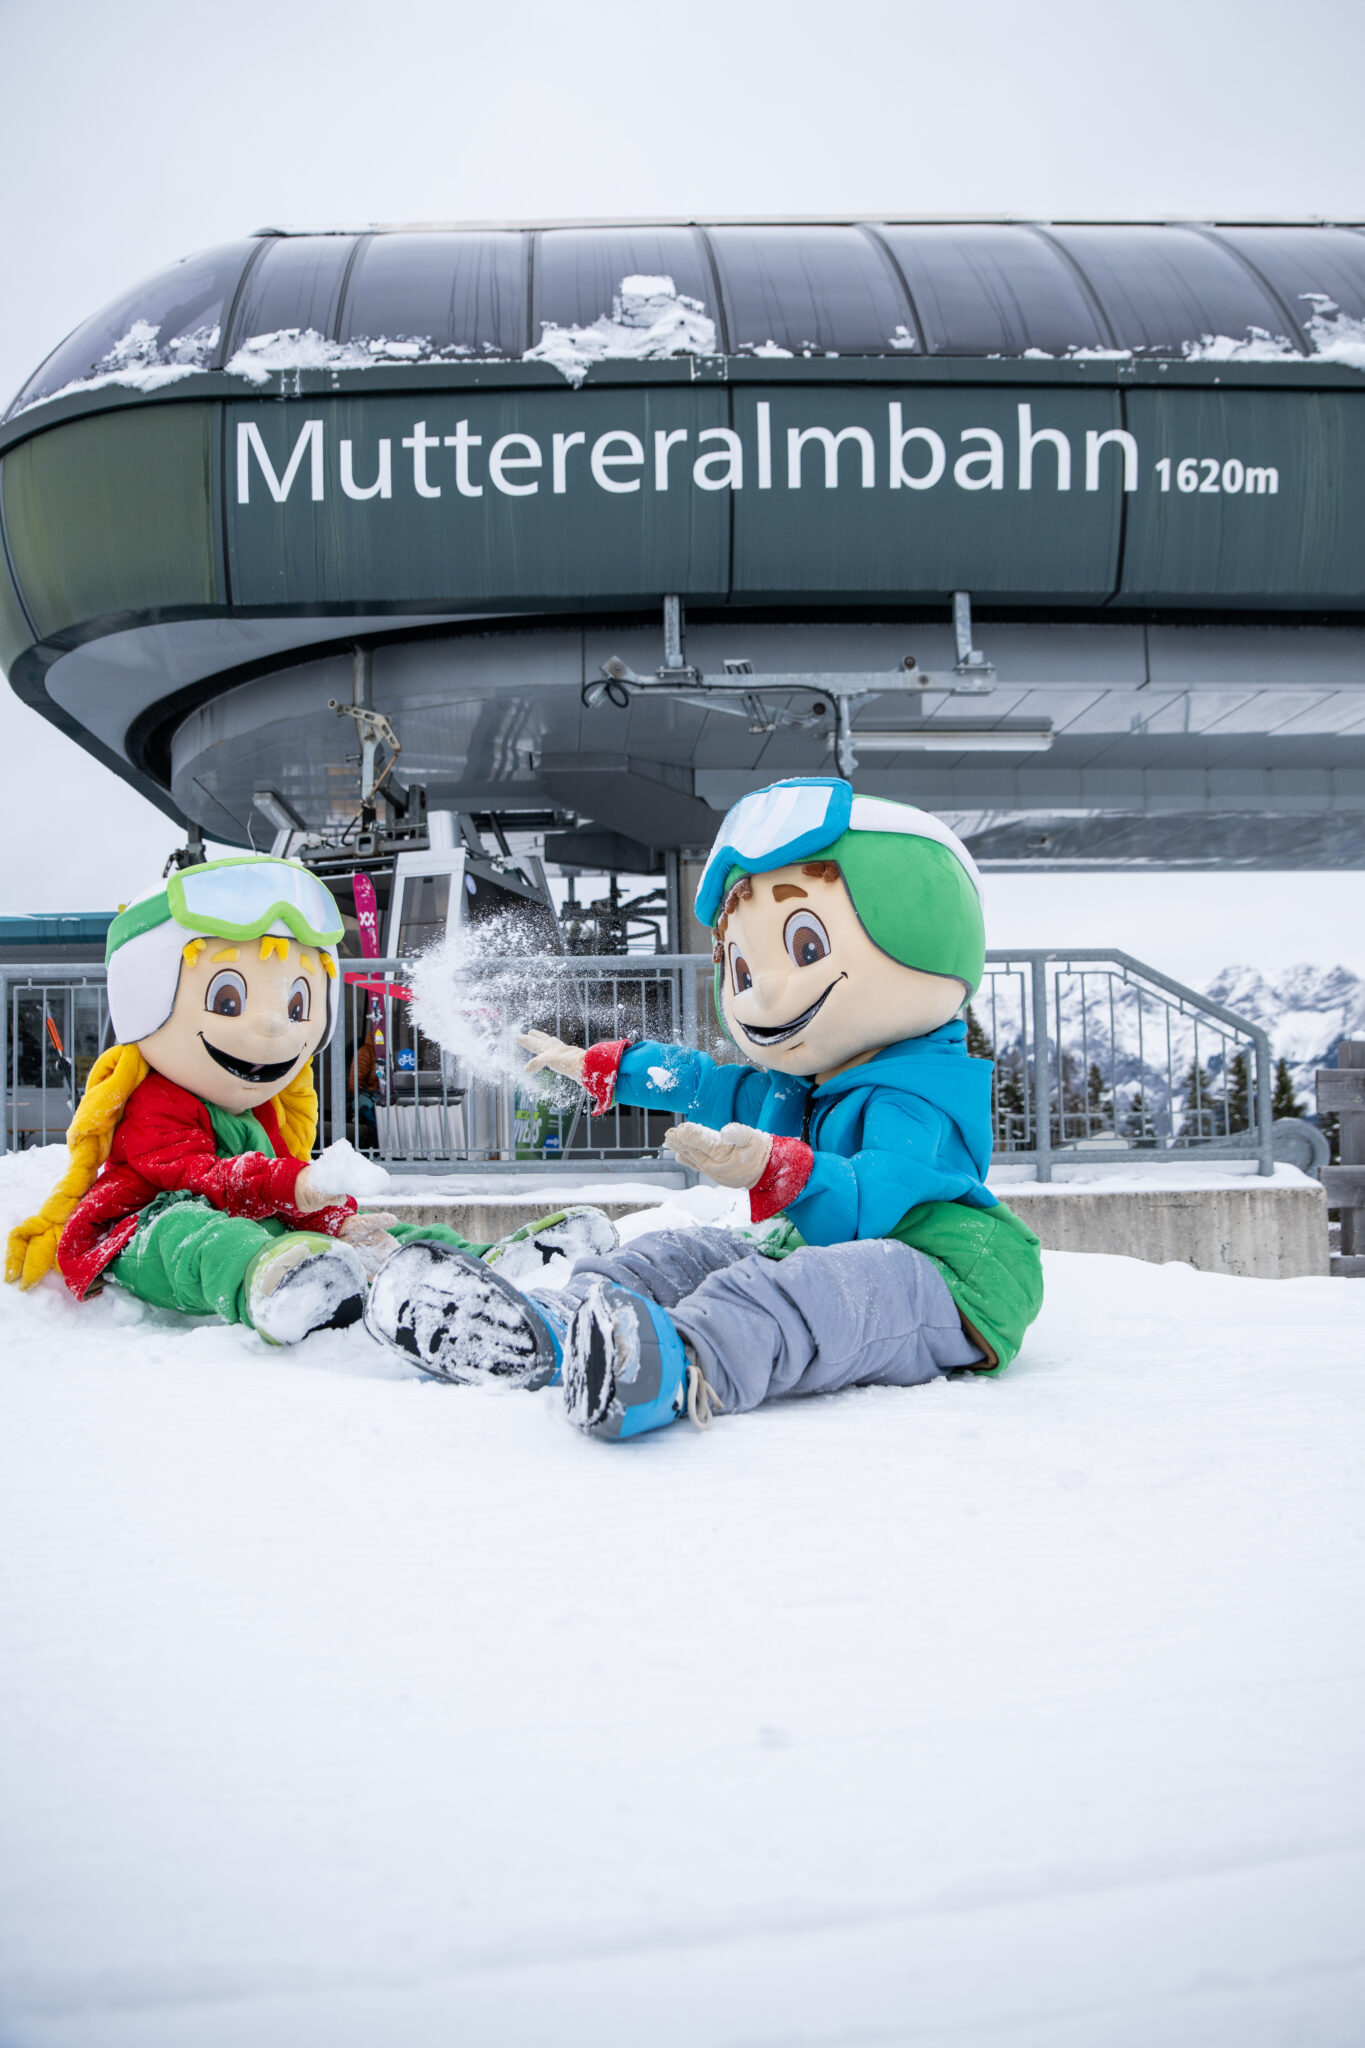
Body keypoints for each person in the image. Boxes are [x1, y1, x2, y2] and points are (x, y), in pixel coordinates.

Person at [364, 778, 1044, 1438]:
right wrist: (601, 1065)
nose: (760, 992)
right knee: (682, 1252)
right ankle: (551, 1325)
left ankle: (672, 1363)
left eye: (806, 948)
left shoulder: (919, 1096)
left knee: (806, 1292)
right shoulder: (801, 1087)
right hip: (817, 1248)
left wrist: (776, 1167)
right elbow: (702, 1085)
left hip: (943, 1275)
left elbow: (873, 1200)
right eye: (741, 969)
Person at [5, 856, 620, 1343]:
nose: (276, 1026)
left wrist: (334, 1218)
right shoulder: (154, 1102)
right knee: (192, 1232)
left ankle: (483, 1262)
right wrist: (292, 1187)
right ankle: (277, 1284)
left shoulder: (262, 1113)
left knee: (376, 1231)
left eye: (297, 1004)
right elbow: (196, 1176)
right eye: (228, 1000)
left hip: (253, 1219)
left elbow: (270, 1185)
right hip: (141, 1232)